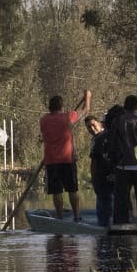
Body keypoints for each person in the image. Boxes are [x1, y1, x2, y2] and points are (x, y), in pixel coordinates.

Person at [39, 89, 91, 220]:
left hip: (51, 161)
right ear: (61, 107)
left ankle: (60, 217)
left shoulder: (43, 120)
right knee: (72, 189)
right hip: (67, 159)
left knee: (56, 191)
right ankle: (77, 215)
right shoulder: (68, 116)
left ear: (49, 108)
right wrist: (88, 97)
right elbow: (85, 110)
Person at [109, 94, 137, 224]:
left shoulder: (118, 121)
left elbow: (112, 144)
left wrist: (113, 163)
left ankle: (121, 223)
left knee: (121, 199)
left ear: (125, 105)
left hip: (122, 166)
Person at [85, 115, 114, 227]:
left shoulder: (109, 136)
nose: (91, 128)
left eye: (93, 125)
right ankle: (103, 226)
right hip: (101, 177)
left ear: (99, 123)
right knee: (103, 204)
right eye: (88, 127)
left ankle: (106, 225)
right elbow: (94, 162)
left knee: (110, 203)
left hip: (111, 176)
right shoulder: (95, 139)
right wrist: (94, 179)